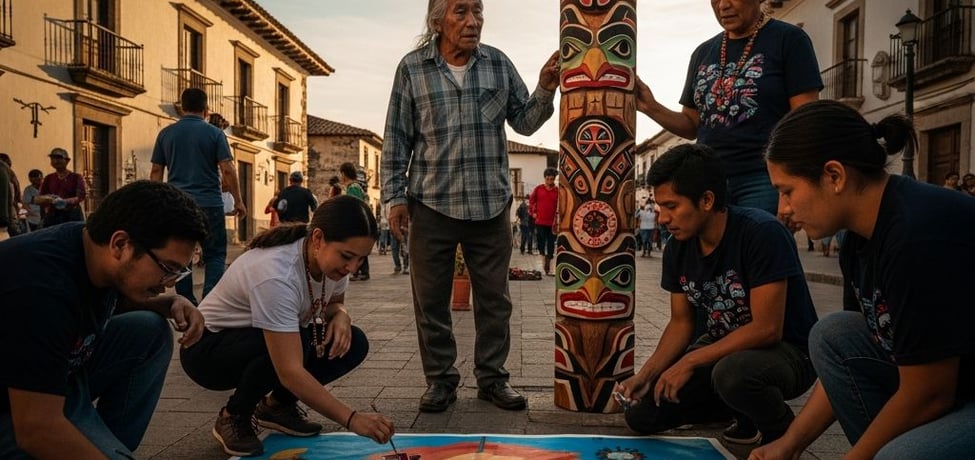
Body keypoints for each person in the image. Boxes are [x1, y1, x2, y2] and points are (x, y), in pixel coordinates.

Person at [751, 100, 975, 460]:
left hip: (950, 392)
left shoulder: (917, 235)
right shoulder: (856, 239)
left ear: (834, 176)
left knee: (893, 456)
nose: (783, 209)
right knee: (834, 334)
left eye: (787, 190)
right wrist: (789, 444)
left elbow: (931, 393)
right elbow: (866, 344)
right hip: (949, 387)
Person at [381, 0, 559, 412]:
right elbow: (396, 138)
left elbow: (525, 123)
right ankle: (440, 380)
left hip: (490, 204)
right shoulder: (412, 68)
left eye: (478, 11)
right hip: (430, 204)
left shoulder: (497, 63)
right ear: (437, 20)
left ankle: (493, 379)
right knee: (430, 300)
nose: (473, 21)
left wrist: (545, 86)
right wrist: (394, 198)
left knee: (495, 300)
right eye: (461, 11)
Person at [614, 144, 818, 447]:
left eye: (672, 206)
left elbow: (767, 329)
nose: (663, 219)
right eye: (660, 209)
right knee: (643, 416)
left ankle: (780, 431)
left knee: (733, 374)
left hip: (788, 352)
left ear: (707, 200)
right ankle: (733, 407)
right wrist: (646, 376)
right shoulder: (677, 247)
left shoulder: (761, 233)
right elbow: (681, 323)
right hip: (722, 348)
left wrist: (690, 362)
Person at [0, 180, 208, 459]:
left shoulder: (89, 247)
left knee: (148, 330)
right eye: (167, 269)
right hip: (18, 407)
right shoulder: (40, 288)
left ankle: (106, 443)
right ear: (120, 244)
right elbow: (35, 428)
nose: (168, 283)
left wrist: (168, 303)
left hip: (60, 376)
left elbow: (99, 303)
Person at [180, 196, 394, 457]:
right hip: (208, 351)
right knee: (286, 346)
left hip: (257, 338)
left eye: (361, 260)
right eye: (347, 256)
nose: (352, 268)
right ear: (318, 239)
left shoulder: (332, 266)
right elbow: (289, 370)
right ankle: (233, 415)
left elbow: (333, 303)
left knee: (353, 342)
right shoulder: (277, 274)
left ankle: (277, 406)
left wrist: (341, 315)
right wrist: (352, 419)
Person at [634, 0, 821, 216]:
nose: (723, 5)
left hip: (764, 179)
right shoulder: (702, 53)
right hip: (708, 181)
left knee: (757, 246)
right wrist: (651, 107)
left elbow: (804, 121)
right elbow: (692, 124)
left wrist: (787, 190)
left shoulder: (789, 40)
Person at [151, 87, 246, 304]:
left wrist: (155, 203)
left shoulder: (166, 134)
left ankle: (186, 301)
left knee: (180, 254)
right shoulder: (214, 134)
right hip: (209, 205)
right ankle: (210, 300)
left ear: (182, 108)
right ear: (206, 109)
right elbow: (229, 170)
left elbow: (156, 172)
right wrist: (238, 201)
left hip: (177, 205)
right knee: (215, 254)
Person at [37, 148, 87, 227]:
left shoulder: (76, 177)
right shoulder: (48, 178)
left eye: (59, 158)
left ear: (67, 161)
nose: (56, 161)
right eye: (53, 158)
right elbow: (41, 196)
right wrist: (50, 200)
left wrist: (65, 201)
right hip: (53, 215)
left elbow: (81, 196)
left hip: (71, 214)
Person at [340, 162, 370, 281]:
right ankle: (359, 271)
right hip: (359, 221)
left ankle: (362, 271)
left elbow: (354, 205)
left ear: (344, 174)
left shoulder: (352, 188)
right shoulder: (355, 187)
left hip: (356, 221)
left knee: (356, 247)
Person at [529, 167, 558, 275]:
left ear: (554, 179)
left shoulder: (557, 191)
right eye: (548, 179)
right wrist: (533, 212)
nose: (549, 181)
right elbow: (531, 201)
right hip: (540, 221)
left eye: (551, 179)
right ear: (544, 178)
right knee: (541, 243)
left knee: (551, 244)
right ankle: (542, 263)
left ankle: (549, 268)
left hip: (552, 223)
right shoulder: (538, 189)